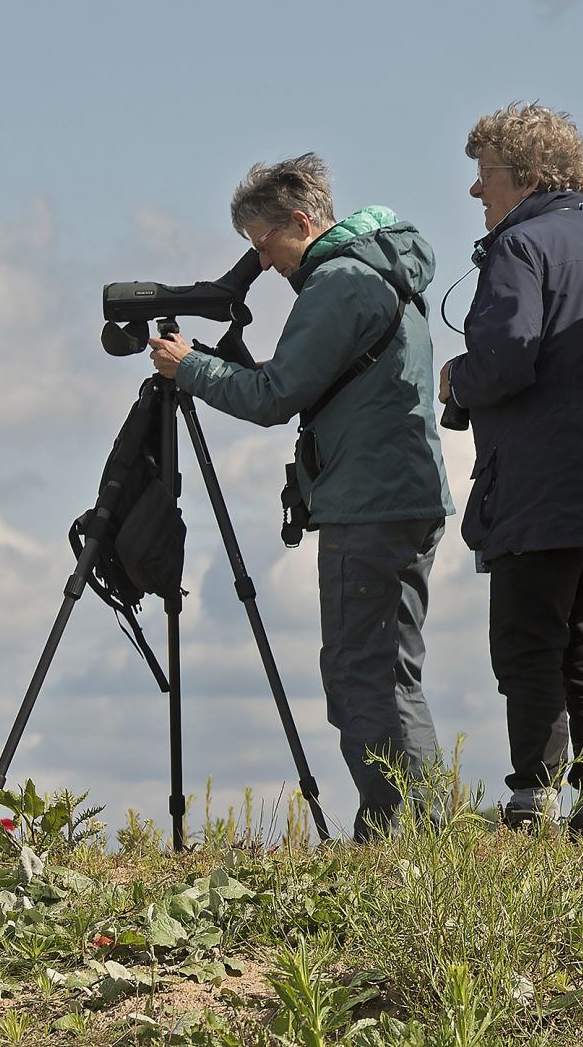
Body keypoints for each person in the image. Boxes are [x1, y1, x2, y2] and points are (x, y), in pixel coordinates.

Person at [150, 154, 452, 841]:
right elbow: (299, 380)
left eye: (263, 242)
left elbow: (273, 398)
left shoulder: (339, 285)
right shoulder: (376, 272)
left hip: (367, 503)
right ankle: (429, 833)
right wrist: (217, 365)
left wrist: (189, 367)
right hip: (400, 493)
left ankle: (399, 834)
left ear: (301, 220)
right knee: (390, 670)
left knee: (360, 673)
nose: (262, 261)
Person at [447, 102, 583, 833]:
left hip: (540, 485)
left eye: (486, 177)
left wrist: (457, 377)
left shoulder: (523, 247)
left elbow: (509, 357)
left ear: (529, 177)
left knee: (528, 639)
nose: (478, 193)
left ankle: (531, 798)